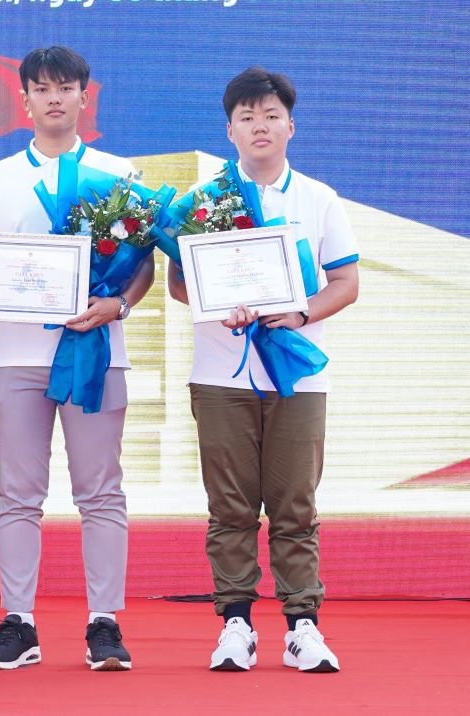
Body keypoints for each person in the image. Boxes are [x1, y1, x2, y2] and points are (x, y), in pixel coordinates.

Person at [0, 46, 153, 672]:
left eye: (65, 88)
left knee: (101, 491)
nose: (54, 99)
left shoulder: (119, 172)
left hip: (97, 349)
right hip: (18, 355)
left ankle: (104, 622)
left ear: (83, 96)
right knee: (18, 493)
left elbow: (143, 264)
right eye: (41, 89)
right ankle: (19, 622)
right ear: (25, 100)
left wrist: (118, 306)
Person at [167, 67, 358, 673]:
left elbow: (346, 282)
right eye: (247, 117)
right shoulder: (201, 200)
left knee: (294, 504)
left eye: (271, 116)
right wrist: (217, 302)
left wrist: (298, 314)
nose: (260, 126)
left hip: (297, 375)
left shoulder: (320, 199)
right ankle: (236, 625)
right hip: (220, 374)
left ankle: (303, 626)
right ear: (230, 130)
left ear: (290, 126)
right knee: (230, 507)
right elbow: (179, 284)